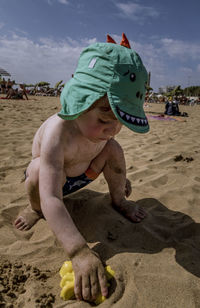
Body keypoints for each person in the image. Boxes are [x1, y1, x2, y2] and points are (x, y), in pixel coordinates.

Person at [14, 33, 149, 302]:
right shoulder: (59, 132)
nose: (112, 128)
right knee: (39, 170)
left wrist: (119, 180)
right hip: (52, 183)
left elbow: (109, 148)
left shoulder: (105, 133)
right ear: (80, 102)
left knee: (113, 149)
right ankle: (33, 209)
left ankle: (118, 199)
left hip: (84, 172)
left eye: (120, 121)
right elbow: (52, 195)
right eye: (103, 119)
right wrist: (78, 252)